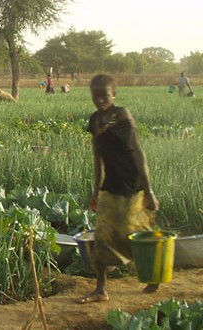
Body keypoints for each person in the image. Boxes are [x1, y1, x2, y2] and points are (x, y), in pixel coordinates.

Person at [80, 74, 159, 304]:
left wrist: (148, 189)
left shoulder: (122, 115)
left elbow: (137, 152)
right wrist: (96, 190)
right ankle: (101, 288)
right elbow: (98, 158)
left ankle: (152, 276)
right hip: (111, 183)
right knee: (103, 233)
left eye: (105, 95)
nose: (100, 100)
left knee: (131, 232)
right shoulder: (94, 120)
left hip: (131, 183)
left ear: (114, 94)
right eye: (96, 96)